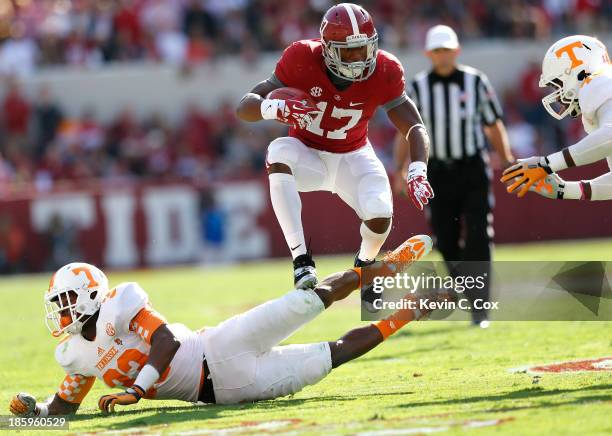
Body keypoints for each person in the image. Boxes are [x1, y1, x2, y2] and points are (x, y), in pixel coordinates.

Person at [9, 235, 434, 416]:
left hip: (219, 345)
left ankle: (383, 267)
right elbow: (63, 409)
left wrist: (139, 389)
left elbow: (166, 338)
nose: (61, 314)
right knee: (331, 356)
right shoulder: (73, 353)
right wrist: (32, 415)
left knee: (308, 300)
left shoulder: (122, 302)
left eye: (65, 302)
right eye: (57, 305)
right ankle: (408, 311)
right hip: (228, 392)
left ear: (89, 295)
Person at [236, 3, 433, 290]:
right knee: (278, 151)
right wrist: (273, 107)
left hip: (353, 156)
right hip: (308, 154)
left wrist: (417, 168)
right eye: (349, 51)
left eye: (364, 49)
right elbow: (244, 107)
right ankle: (301, 261)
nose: (359, 58)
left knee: (380, 213)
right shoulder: (302, 57)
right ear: (328, 48)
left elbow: (415, 127)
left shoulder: (386, 68)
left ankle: (365, 268)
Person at [394, 25, 515, 327]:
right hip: (437, 172)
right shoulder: (419, 87)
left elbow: (493, 124)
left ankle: (480, 308)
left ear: (456, 51)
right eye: (437, 51)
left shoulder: (476, 82)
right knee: (445, 240)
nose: (442, 56)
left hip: (472, 168)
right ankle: (467, 288)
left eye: (446, 50)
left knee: (478, 235)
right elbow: (405, 132)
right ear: (429, 54)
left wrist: (508, 159)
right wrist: (400, 168)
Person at [502, 35, 612, 201]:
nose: (558, 95)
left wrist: (547, 164)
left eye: (557, 85)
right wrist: (564, 190)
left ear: (579, 71)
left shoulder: (600, 82)